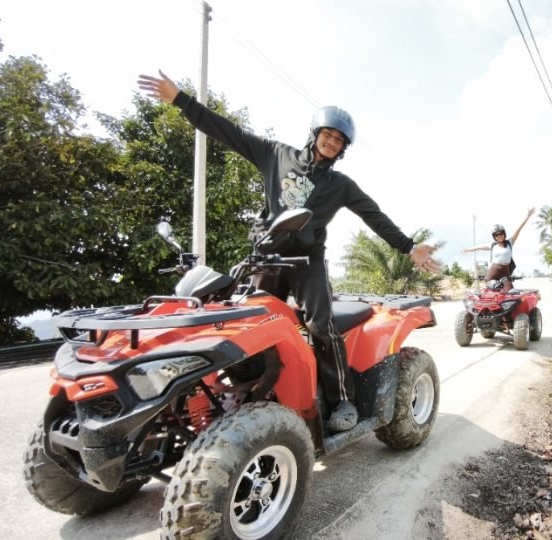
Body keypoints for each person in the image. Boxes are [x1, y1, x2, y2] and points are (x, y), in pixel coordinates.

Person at [137, 71, 441, 432]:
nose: (331, 142)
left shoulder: (341, 185)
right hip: (267, 256)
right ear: (315, 134)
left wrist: (408, 248)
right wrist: (181, 100)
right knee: (241, 323)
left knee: (320, 325)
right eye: (328, 134)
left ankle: (340, 398)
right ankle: (255, 390)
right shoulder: (275, 155)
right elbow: (227, 131)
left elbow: (374, 216)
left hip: (307, 262)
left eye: (339, 140)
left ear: (344, 149)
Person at [462, 208, 535, 290]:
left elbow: (518, 229)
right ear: (494, 237)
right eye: (496, 235)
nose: (499, 236)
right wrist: (467, 250)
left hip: (505, 272)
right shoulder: (492, 245)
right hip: (493, 272)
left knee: (510, 292)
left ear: (504, 234)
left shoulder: (509, 242)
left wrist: (527, 216)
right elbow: (479, 247)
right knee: (492, 290)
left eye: (501, 233)